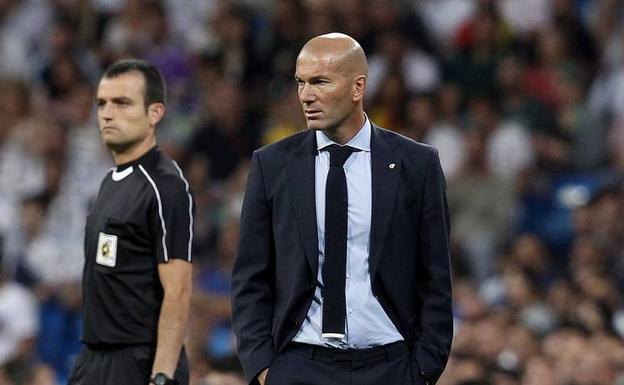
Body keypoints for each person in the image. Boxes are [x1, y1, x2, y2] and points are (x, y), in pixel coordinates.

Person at [231, 33, 453, 385]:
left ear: (357, 87)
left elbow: (435, 277)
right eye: (300, 83)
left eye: (320, 81)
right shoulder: (271, 165)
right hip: (298, 365)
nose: (306, 95)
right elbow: (250, 277)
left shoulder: (417, 164)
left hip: (391, 367)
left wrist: (424, 369)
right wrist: (263, 367)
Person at [68, 59, 194, 385]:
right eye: (102, 104)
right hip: (94, 360)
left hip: (138, 362)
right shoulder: (111, 181)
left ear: (155, 113)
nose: (107, 113)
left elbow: (177, 290)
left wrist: (162, 376)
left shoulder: (164, 184)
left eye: (122, 103)